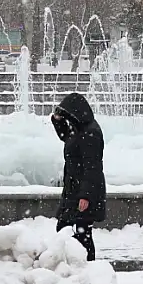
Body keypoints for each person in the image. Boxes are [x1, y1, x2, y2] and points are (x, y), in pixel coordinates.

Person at [52, 92, 106, 262]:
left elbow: (93, 168)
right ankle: (74, 263)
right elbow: (66, 138)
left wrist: (86, 196)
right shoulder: (79, 129)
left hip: (84, 191)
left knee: (82, 232)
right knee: (65, 228)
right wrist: (58, 121)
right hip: (73, 188)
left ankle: (87, 266)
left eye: (67, 114)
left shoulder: (91, 133)